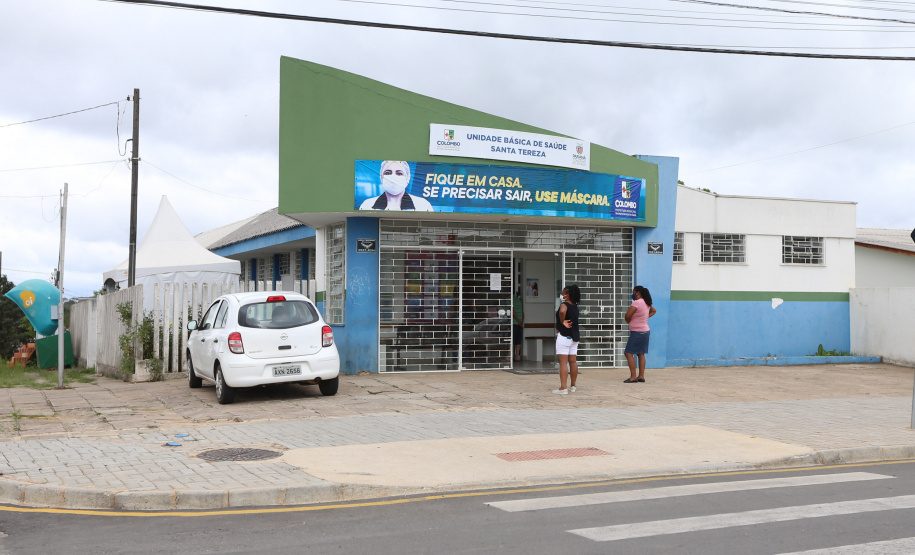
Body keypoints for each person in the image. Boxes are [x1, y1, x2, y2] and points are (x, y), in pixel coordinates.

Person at [359, 160, 434, 211]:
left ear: (407, 178)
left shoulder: (423, 205)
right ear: (381, 178)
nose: (393, 178)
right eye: (388, 173)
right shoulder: (368, 205)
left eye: (399, 173)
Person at [624, 285, 657, 383]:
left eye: (633, 292)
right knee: (641, 353)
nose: (632, 294)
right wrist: (644, 317)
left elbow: (627, 316)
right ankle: (641, 376)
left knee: (628, 353)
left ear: (637, 292)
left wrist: (630, 322)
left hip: (637, 332)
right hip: (645, 331)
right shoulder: (646, 302)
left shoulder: (637, 303)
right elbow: (654, 310)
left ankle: (633, 377)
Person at [552, 284, 581, 395]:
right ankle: (573, 386)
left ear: (567, 295)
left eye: (563, 293)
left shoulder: (564, 304)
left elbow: (562, 311)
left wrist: (562, 321)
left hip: (564, 336)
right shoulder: (575, 306)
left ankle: (563, 387)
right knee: (573, 361)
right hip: (574, 337)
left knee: (563, 362)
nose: (562, 295)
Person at [512, 288, 524, 361]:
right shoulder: (519, 301)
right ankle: (517, 356)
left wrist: (518, 321)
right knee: (518, 341)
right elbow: (523, 312)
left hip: (514, 323)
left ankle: (509, 355)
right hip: (520, 324)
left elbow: (512, 312)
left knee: (512, 340)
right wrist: (521, 322)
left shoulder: (510, 300)